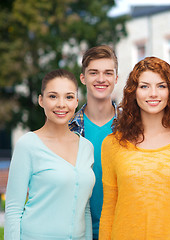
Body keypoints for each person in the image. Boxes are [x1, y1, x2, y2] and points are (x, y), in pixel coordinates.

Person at [99, 57, 170, 239]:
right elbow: (109, 209)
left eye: (161, 86)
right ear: (133, 92)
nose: (153, 93)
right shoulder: (112, 144)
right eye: (144, 86)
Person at [5, 69, 95, 239]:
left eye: (68, 97)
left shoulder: (87, 148)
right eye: (53, 96)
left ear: (76, 101)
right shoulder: (28, 145)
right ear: (41, 100)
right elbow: (13, 209)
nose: (61, 104)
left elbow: (85, 209)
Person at [68, 45, 118, 240]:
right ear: (83, 78)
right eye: (93, 72)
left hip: (121, 230)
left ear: (115, 78)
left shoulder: (132, 128)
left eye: (108, 73)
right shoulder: (69, 128)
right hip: (78, 232)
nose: (101, 79)